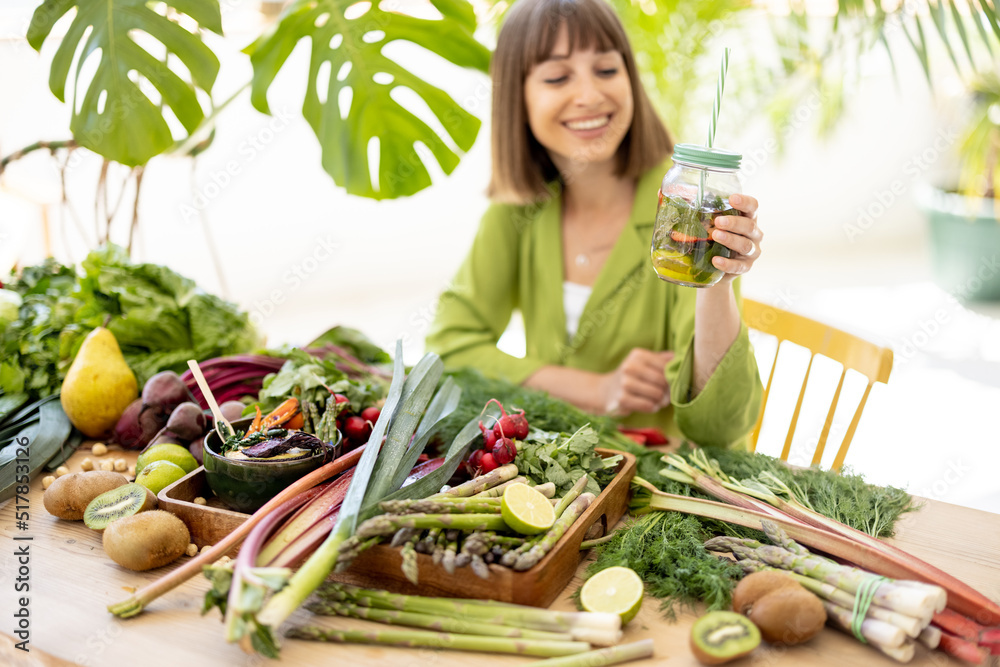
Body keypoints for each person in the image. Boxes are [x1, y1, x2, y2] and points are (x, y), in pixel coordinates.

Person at [426, 0, 764, 447]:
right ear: (518, 99)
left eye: (606, 70)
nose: (589, 95)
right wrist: (595, 389)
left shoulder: (687, 210)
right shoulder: (519, 211)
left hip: (662, 485)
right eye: (557, 77)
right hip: (557, 474)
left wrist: (715, 282)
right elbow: (449, 349)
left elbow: (720, 426)